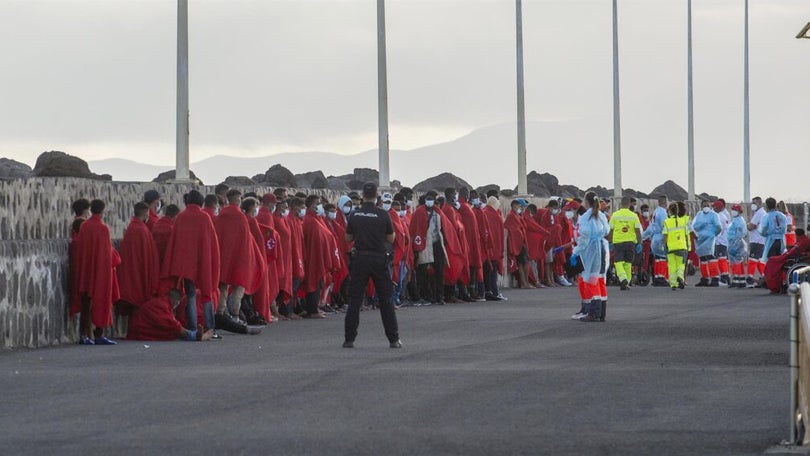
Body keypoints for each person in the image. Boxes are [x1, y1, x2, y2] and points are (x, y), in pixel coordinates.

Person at [343, 182, 401, 349]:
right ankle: (393, 339)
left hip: (360, 258)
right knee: (386, 300)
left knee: (355, 300)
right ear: (377, 196)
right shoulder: (383, 215)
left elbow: (348, 238)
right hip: (378, 258)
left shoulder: (355, 214)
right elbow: (391, 239)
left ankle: (349, 339)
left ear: (363, 195)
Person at [161, 190, 222, 337]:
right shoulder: (204, 217)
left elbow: (176, 242)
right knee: (207, 294)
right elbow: (211, 243)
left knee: (191, 294)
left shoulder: (181, 217)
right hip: (203, 262)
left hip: (185, 263)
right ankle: (209, 328)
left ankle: (194, 328)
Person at [71, 199, 121, 345]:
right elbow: (106, 252)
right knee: (101, 301)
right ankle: (98, 334)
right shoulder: (103, 228)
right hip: (100, 271)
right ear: (102, 211)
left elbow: (82, 249)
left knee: (86, 302)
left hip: (87, 269)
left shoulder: (85, 226)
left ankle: (84, 335)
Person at [214, 189, 264, 329]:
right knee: (239, 286)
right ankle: (235, 315)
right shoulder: (240, 217)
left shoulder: (222, 214)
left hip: (223, 256)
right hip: (239, 257)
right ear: (238, 199)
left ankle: (220, 313)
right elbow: (246, 239)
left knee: (222, 286)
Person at [570, 192, 610, 322]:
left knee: (591, 279)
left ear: (586, 202)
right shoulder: (602, 215)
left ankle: (594, 312)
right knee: (599, 279)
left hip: (591, 251)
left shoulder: (586, 217)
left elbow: (584, 238)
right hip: (602, 248)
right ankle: (601, 312)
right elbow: (607, 230)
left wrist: (576, 251)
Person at [301, 194, 337, 319]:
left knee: (319, 283)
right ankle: (312, 310)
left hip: (319, 256)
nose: (320, 206)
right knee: (314, 283)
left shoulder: (316, 219)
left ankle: (314, 308)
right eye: (318, 203)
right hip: (314, 258)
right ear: (312, 206)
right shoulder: (310, 221)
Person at [127, 288, 213, 341]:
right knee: (174, 328)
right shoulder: (161, 305)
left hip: (138, 328)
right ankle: (195, 336)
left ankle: (194, 334)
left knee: (173, 330)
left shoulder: (162, 302)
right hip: (138, 330)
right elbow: (171, 323)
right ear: (176, 301)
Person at [117, 202, 159, 309]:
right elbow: (148, 257)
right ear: (145, 214)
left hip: (129, 274)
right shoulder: (142, 230)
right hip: (139, 276)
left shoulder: (131, 228)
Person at [608, 196, 642, 290]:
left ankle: (622, 278)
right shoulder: (634, 216)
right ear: (629, 204)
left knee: (618, 262)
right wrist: (639, 243)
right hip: (630, 242)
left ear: (620, 204)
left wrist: (610, 241)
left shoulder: (615, 215)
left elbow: (610, 230)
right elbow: (637, 231)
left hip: (618, 242)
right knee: (628, 263)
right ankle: (626, 281)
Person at [691, 200, 723, 287]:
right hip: (700, 240)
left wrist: (713, 235)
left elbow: (719, 227)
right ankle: (705, 278)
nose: (706, 207)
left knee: (710, 257)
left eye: (707, 205)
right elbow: (693, 226)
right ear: (701, 206)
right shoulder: (699, 215)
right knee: (702, 259)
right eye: (704, 205)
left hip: (709, 239)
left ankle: (715, 278)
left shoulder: (714, 215)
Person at [482, 195, 506, 300]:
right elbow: (500, 234)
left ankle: (488, 292)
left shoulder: (484, 212)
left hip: (486, 248)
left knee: (487, 272)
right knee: (493, 272)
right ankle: (494, 292)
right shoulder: (496, 216)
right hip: (494, 249)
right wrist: (501, 250)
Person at [662, 202, 691, 291]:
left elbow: (665, 236)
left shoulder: (666, 222)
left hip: (671, 248)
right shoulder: (683, 221)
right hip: (682, 247)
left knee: (672, 266)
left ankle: (673, 284)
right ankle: (680, 277)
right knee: (681, 265)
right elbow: (687, 235)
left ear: (669, 211)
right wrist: (688, 246)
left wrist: (664, 247)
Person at [504, 199, 531, 288]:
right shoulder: (511, 216)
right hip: (518, 243)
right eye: (518, 206)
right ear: (513, 206)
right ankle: (524, 282)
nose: (520, 208)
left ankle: (524, 282)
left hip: (521, 242)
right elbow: (512, 228)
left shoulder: (517, 215)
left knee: (523, 263)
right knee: (523, 263)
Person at [643, 195, 669, 286]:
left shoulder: (655, 212)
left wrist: (643, 237)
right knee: (662, 258)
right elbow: (665, 226)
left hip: (654, 238)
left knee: (657, 258)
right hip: (660, 237)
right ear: (664, 202)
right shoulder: (662, 212)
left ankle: (657, 278)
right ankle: (661, 278)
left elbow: (650, 228)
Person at [758, 197, 788, 265]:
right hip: (781, 240)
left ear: (766, 206)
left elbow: (762, 230)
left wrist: (765, 234)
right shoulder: (782, 215)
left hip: (771, 241)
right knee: (780, 259)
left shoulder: (766, 216)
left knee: (771, 260)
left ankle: (771, 275)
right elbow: (785, 228)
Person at [746, 196, 767, 287]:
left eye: (754, 203)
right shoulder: (761, 213)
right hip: (760, 240)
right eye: (752, 203)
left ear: (760, 203)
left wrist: (746, 225)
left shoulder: (759, 213)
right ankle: (764, 277)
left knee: (753, 259)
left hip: (757, 240)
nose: (753, 205)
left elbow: (751, 226)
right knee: (759, 261)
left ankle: (750, 278)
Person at [727, 204, 749, 288]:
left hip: (736, 242)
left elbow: (740, 234)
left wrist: (735, 245)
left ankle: (737, 280)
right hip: (734, 242)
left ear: (739, 211)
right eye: (732, 209)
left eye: (735, 210)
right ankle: (741, 280)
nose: (733, 211)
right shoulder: (736, 220)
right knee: (736, 261)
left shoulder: (738, 221)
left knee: (736, 262)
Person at [713, 200, 732, 286]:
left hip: (719, 241)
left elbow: (719, 229)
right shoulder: (723, 216)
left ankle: (724, 279)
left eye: (714, 207)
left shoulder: (719, 217)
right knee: (723, 259)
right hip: (723, 241)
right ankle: (726, 277)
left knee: (721, 260)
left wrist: (715, 238)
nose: (713, 208)